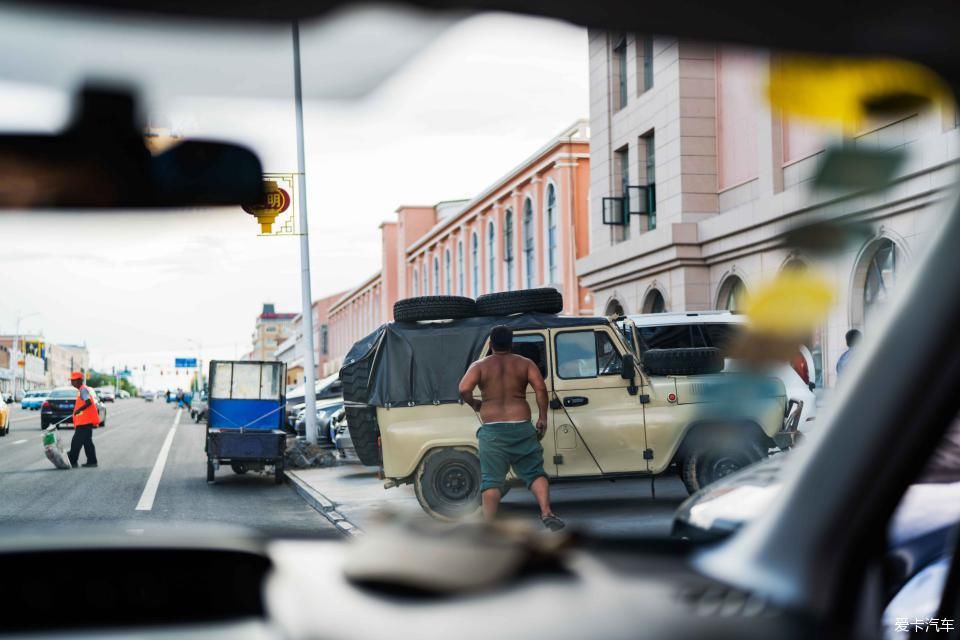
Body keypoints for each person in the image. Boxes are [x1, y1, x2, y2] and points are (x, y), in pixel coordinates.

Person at [458, 325, 564, 531]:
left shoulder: (479, 366)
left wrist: (475, 404)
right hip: (521, 427)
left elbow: (463, 389)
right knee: (534, 472)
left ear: (490, 344)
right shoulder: (524, 363)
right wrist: (542, 417)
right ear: (512, 343)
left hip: (493, 431)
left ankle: (489, 525)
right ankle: (546, 512)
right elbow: (541, 388)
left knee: (492, 480)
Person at [67, 371, 99, 469]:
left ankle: (72, 460)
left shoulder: (83, 390)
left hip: (85, 422)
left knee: (76, 442)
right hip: (84, 422)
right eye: (71, 380)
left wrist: (78, 410)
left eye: (73, 380)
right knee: (87, 442)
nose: (72, 382)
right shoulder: (81, 390)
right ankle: (92, 461)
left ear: (79, 380)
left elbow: (88, 402)